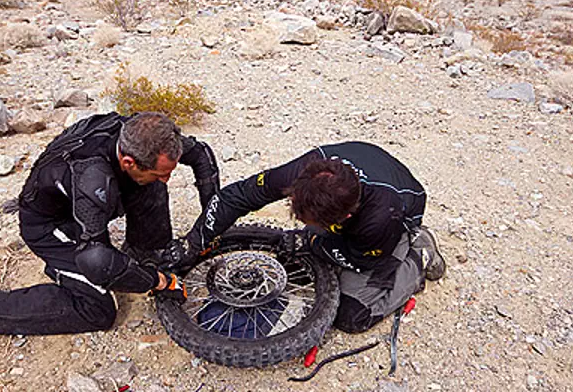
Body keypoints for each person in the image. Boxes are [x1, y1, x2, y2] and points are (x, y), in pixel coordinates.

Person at [0, 111, 219, 363]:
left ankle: (142, 252)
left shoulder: (146, 136)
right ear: (130, 162)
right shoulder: (92, 177)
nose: (168, 178)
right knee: (98, 309)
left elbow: (202, 155)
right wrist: (156, 281)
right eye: (162, 171)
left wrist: (212, 219)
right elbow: (95, 259)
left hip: (94, 200)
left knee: (152, 186)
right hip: (52, 225)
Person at [165, 141, 444, 333]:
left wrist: (311, 243)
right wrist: (194, 243)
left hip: (393, 226)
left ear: (341, 219)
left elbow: (360, 261)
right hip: (357, 193)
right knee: (299, 258)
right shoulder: (307, 172)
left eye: (310, 221)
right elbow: (237, 196)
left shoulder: (381, 218)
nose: (298, 220)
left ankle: (419, 253)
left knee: (351, 315)